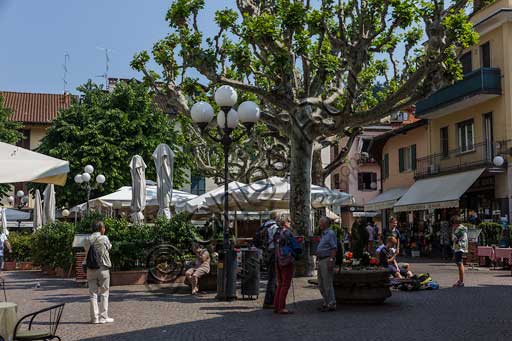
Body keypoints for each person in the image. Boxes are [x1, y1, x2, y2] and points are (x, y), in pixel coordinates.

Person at [84, 220, 114, 324]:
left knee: (93, 294)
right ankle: (103, 317)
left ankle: (94, 318)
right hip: (103, 268)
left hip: (91, 268)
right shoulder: (104, 238)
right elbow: (109, 247)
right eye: (104, 227)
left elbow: (86, 251)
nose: (104, 229)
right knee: (104, 293)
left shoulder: (87, 239)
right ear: (101, 228)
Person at [273, 214, 301, 314]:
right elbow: (296, 247)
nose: (290, 223)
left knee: (280, 284)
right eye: (289, 221)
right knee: (285, 284)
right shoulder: (287, 233)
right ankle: (281, 307)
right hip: (287, 260)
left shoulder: (277, 232)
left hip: (278, 259)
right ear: (285, 222)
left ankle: (276, 306)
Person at [254, 211, 280, 309]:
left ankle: (271, 300)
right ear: (276, 217)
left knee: (271, 277)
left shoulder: (264, 225)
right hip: (273, 253)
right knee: (273, 278)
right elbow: (278, 242)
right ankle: (270, 301)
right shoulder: (275, 228)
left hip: (265, 253)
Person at [316, 217, 337, 312]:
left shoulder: (330, 234)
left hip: (327, 259)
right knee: (321, 283)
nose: (319, 224)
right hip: (321, 260)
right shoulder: (323, 234)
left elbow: (334, 248)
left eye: (320, 223)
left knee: (327, 283)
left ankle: (331, 303)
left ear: (325, 224)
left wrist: (331, 260)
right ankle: (326, 302)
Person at [451, 215, 467, 288]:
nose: (452, 225)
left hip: (459, 248)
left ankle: (461, 281)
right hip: (459, 247)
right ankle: (460, 280)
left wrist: (453, 231)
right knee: (459, 263)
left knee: (460, 263)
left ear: (456, 223)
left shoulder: (460, 229)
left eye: (453, 223)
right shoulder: (461, 228)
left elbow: (454, 239)